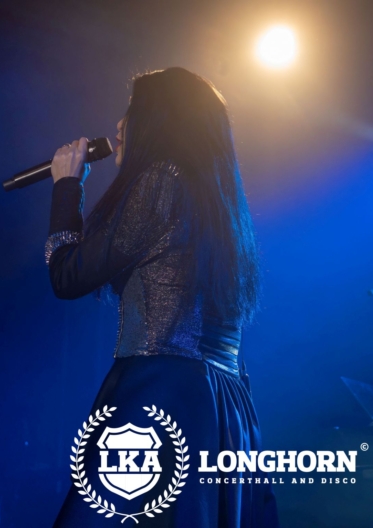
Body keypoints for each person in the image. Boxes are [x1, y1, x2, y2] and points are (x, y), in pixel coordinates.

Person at [46, 68, 279, 527]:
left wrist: (66, 186)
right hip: (226, 404)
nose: (119, 124)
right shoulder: (220, 203)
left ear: (160, 118)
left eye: (133, 110)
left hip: (162, 389)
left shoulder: (161, 180)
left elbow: (67, 275)